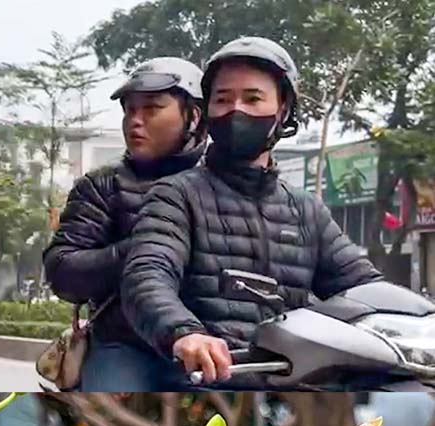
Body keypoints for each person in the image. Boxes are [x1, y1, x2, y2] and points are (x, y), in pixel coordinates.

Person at [121, 37, 382, 385]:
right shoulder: (176, 194)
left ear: (283, 109)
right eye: (223, 99)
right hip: (205, 380)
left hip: (294, 380)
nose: (236, 110)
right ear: (208, 111)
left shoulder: (306, 211)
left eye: (253, 98)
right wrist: (185, 334)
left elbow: (364, 288)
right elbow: (147, 275)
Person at [43, 57, 208, 391]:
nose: (135, 121)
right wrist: (146, 248)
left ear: (194, 115)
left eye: (151, 109)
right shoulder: (102, 187)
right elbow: (62, 272)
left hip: (213, 345)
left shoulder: (223, 185)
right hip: (125, 346)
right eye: (129, 110)